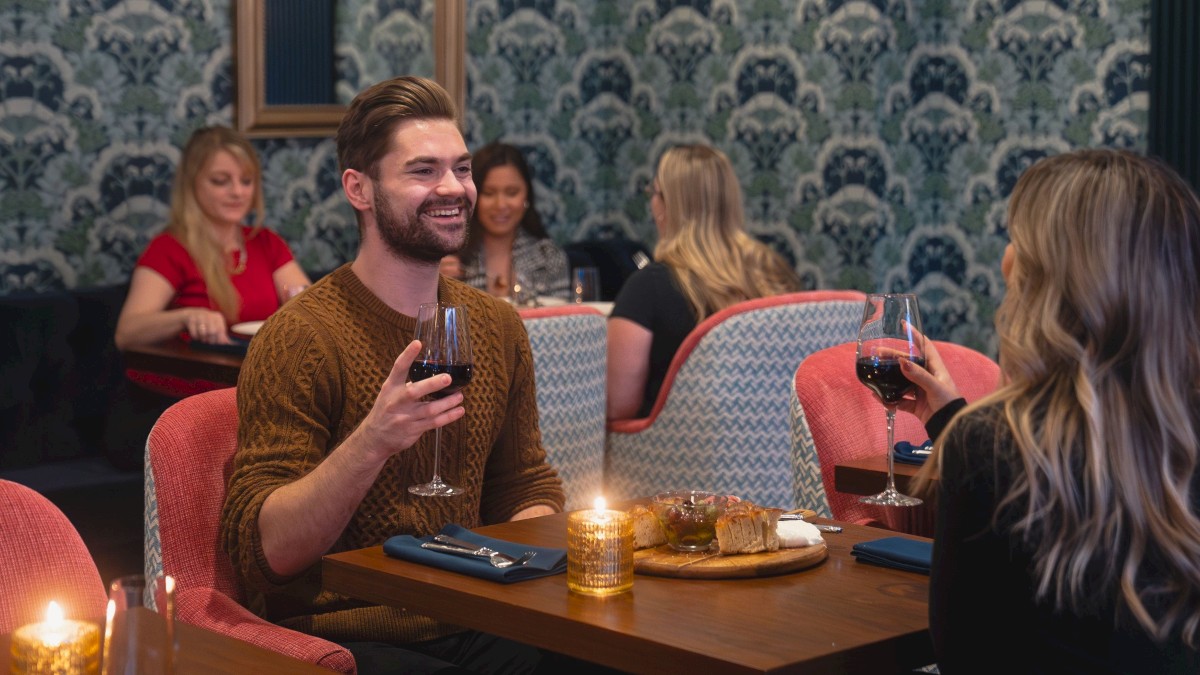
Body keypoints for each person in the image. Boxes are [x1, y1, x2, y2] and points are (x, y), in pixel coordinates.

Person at [219, 76, 566, 674]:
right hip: (348, 634)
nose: (454, 188)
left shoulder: (497, 326)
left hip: (481, 612)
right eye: (424, 171)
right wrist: (374, 441)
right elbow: (265, 554)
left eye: (460, 168)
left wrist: (530, 547)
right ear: (359, 188)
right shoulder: (300, 336)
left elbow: (525, 484)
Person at [898, 149, 1200, 673]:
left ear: (1041, 279)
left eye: (1016, 239)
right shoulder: (1180, 435)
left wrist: (970, 429)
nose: (1005, 260)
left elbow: (962, 654)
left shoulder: (990, 445)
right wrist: (952, 418)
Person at [606, 144, 801, 419]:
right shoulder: (773, 271)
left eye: (655, 193)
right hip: (774, 452)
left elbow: (618, 405)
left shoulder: (648, 287)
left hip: (671, 456)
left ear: (667, 206)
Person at [114, 125, 310, 353]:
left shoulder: (266, 242)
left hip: (259, 373)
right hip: (199, 377)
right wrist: (186, 317)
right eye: (220, 181)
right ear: (192, 184)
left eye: (246, 181)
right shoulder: (169, 248)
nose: (238, 192)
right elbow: (127, 333)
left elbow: (306, 304)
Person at [439, 142, 570, 300]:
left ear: (526, 197)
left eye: (512, 193)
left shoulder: (548, 256)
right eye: (488, 193)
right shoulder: (447, 255)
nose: (500, 205)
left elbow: (562, 319)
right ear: (472, 196)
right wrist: (434, 283)